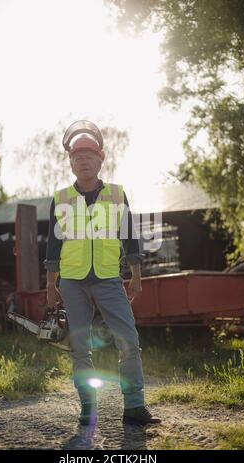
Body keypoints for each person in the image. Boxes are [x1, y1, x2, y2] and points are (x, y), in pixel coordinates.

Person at [44, 128, 161, 426]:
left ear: (100, 160)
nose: (83, 161)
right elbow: (53, 245)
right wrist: (50, 284)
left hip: (109, 279)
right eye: (77, 156)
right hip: (71, 282)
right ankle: (88, 409)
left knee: (129, 342)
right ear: (70, 162)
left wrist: (135, 275)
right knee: (80, 347)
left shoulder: (116, 194)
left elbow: (129, 237)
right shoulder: (61, 199)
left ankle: (134, 407)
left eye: (89, 156)